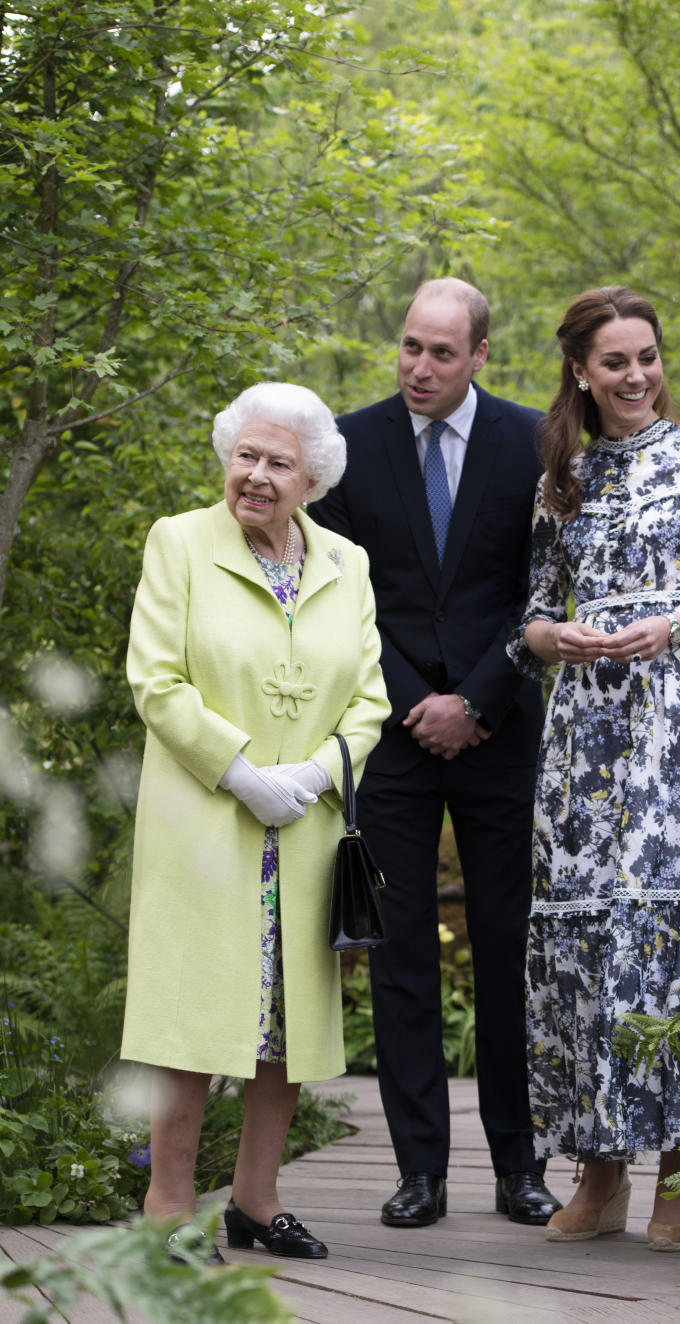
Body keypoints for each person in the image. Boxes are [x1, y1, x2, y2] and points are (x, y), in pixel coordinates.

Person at [506, 287, 680, 1250]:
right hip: (586, 741)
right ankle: (601, 1170)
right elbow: (531, 616)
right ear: (581, 369)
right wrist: (558, 638)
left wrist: (673, 628)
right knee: (589, 940)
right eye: (615, 361)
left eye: (648, 357)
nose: (635, 376)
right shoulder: (561, 478)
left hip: (678, 726)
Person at [308, 277, 561, 1228]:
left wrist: (480, 698)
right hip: (395, 740)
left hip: (502, 734)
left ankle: (519, 1169)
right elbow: (338, 597)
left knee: (508, 953)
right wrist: (423, 704)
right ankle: (420, 1174)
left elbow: (544, 587)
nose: (419, 368)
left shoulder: (536, 444)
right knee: (401, 955)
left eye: (442, 353)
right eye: (410, 347)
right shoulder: (349, 444)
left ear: (481, 356)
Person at [122, 382, 390, 1262]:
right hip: (207, 822)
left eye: (279, 462)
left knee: (285, 1024)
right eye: (247, 455)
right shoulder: (181, 543)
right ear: (225, 457)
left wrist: (315, 775)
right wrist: (240, 772)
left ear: (311, 477)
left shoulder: (346, 562)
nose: (258, 476)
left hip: (304, 831)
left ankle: (254, 1198)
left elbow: (370, 698)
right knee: (190, 1019)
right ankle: (167, 1205)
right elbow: (156, 680)